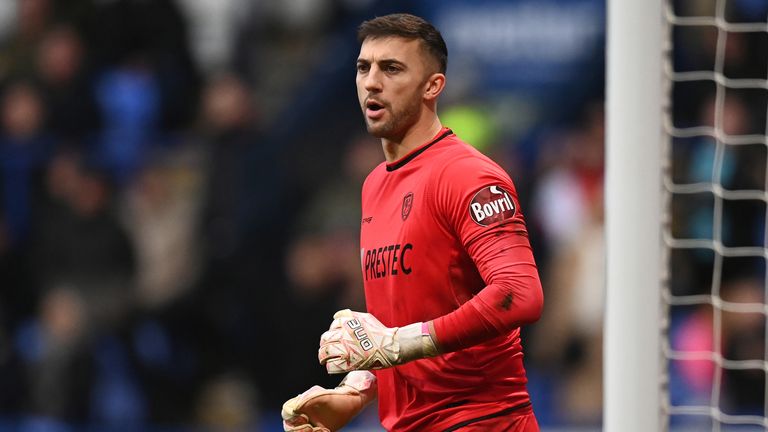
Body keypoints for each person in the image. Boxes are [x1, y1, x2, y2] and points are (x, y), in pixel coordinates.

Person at [282, 13, 543, 432]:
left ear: (432, 87)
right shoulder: (374, 186)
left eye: (391, 68)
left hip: (484, 422)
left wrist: (395, 345)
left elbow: (519, 293)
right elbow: (398, 325)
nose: (371, 82)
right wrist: (357, 389)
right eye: (363, 67)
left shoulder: (467, 175)